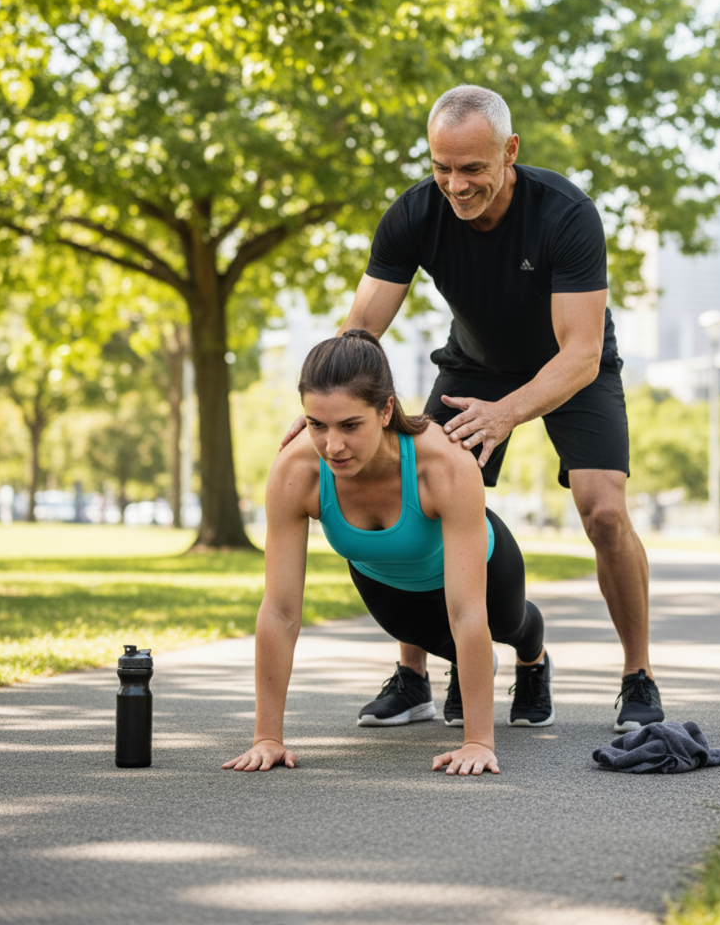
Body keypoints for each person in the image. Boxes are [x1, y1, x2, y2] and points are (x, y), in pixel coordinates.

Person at [282, 85, 664, 733]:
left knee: (603, 511)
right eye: (441, 167)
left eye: (472, 169)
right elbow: (361, 329)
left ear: (510, 151)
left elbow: (579, 354)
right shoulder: (413, 214)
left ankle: (638, 677)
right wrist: (331, 407)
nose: (455, 185)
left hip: (574, 368)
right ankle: (413, 676)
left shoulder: (564, 214)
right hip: (471, 364)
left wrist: (507, 412)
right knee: (416, 488)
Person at [223, 329, 553, 777]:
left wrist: (477, 742)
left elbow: (467, 612)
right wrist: (267, 738)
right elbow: (280, 611)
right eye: (317, 425)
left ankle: (533, 659)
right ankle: (460, 668)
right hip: (390, 586)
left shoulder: (442, 463)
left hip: (488, 572)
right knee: (442, 640)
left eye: (349, 425)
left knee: (508, 626)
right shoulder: (295, 471)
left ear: (385, 410)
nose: (332, 446)